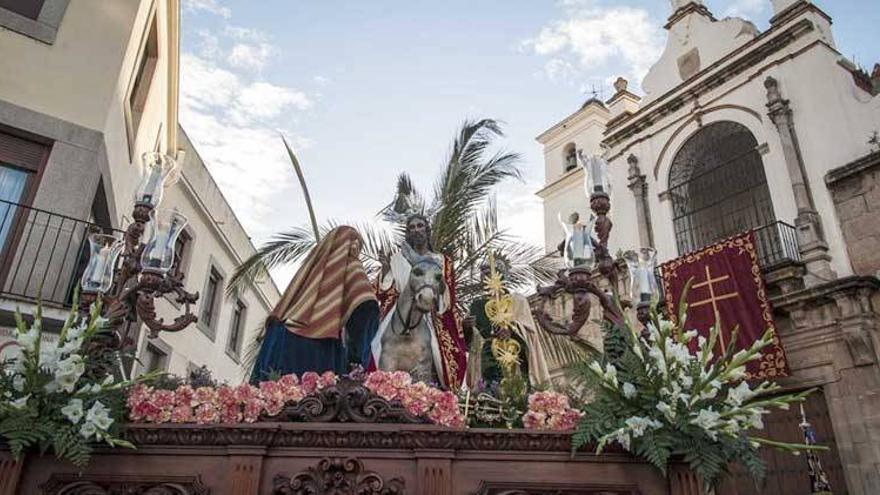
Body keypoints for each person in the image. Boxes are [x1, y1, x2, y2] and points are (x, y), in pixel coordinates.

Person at [250, 226, 379, 383]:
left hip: (279, 339)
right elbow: (366, 308)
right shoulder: (351, 266)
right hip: (318, 348)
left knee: (272, 399)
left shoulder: (312, 266)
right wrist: (358, 355)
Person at [370, 214, 467, 389]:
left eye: (420, 226)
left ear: (427, 230)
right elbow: (386, 293)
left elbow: (449, 295)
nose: (416, 230)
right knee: (377, 346)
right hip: (403, 311)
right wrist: (385, 271)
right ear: (408, 233)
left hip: (432, 312)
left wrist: (437, 289)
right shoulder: (396, 260)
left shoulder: (442, 261)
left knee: (438, 353)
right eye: (412, 227)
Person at [463, 258, 551, 389]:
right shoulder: (476, 305)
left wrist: (511, 330)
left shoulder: (517, 300)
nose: (485, 278)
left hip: (514, 356)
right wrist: (467, 328)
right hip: (487, 360)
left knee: (515, 391)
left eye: (489, 274)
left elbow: (529, 331)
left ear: (501, 275)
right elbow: (470, 342)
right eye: (483, 275)